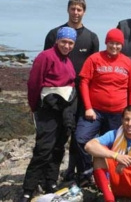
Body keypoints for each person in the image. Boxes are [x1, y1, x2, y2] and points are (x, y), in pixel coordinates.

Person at [74, 28, 131, 185]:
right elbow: (84, 82)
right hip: (95, 111)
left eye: (118, 44)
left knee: (113, 146)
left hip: (118, 113)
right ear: (106, 42)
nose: (115, 46)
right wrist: (88, 107)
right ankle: (86, 172)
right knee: (80, 138)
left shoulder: (127, 62)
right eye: (111, 43)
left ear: (121, 45)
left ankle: (108, 176)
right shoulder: (94, 59)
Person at [43, 0, 99, 183]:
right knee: (58, 134)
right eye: (73, 9)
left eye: (79, 9)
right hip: (57, 93)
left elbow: (94, 69)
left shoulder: (91, 37)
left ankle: (76, 171)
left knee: (77, 134)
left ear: (84, 12)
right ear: (68, 10)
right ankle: (50, 175)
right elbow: (45, 63)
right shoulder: (54, 34)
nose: (76, 12)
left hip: (82, 93)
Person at [20, 27, 78, 202]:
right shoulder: (46, 56)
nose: (67, 46)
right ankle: (28, 189)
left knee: (59, 146)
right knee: (44, 148)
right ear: (57, 41)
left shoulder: (68, 61)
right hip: (48, 108)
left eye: (70, 43)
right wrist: (34, 105)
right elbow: (34, 82)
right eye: (64, 42)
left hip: (65, 108)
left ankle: (50, 181)